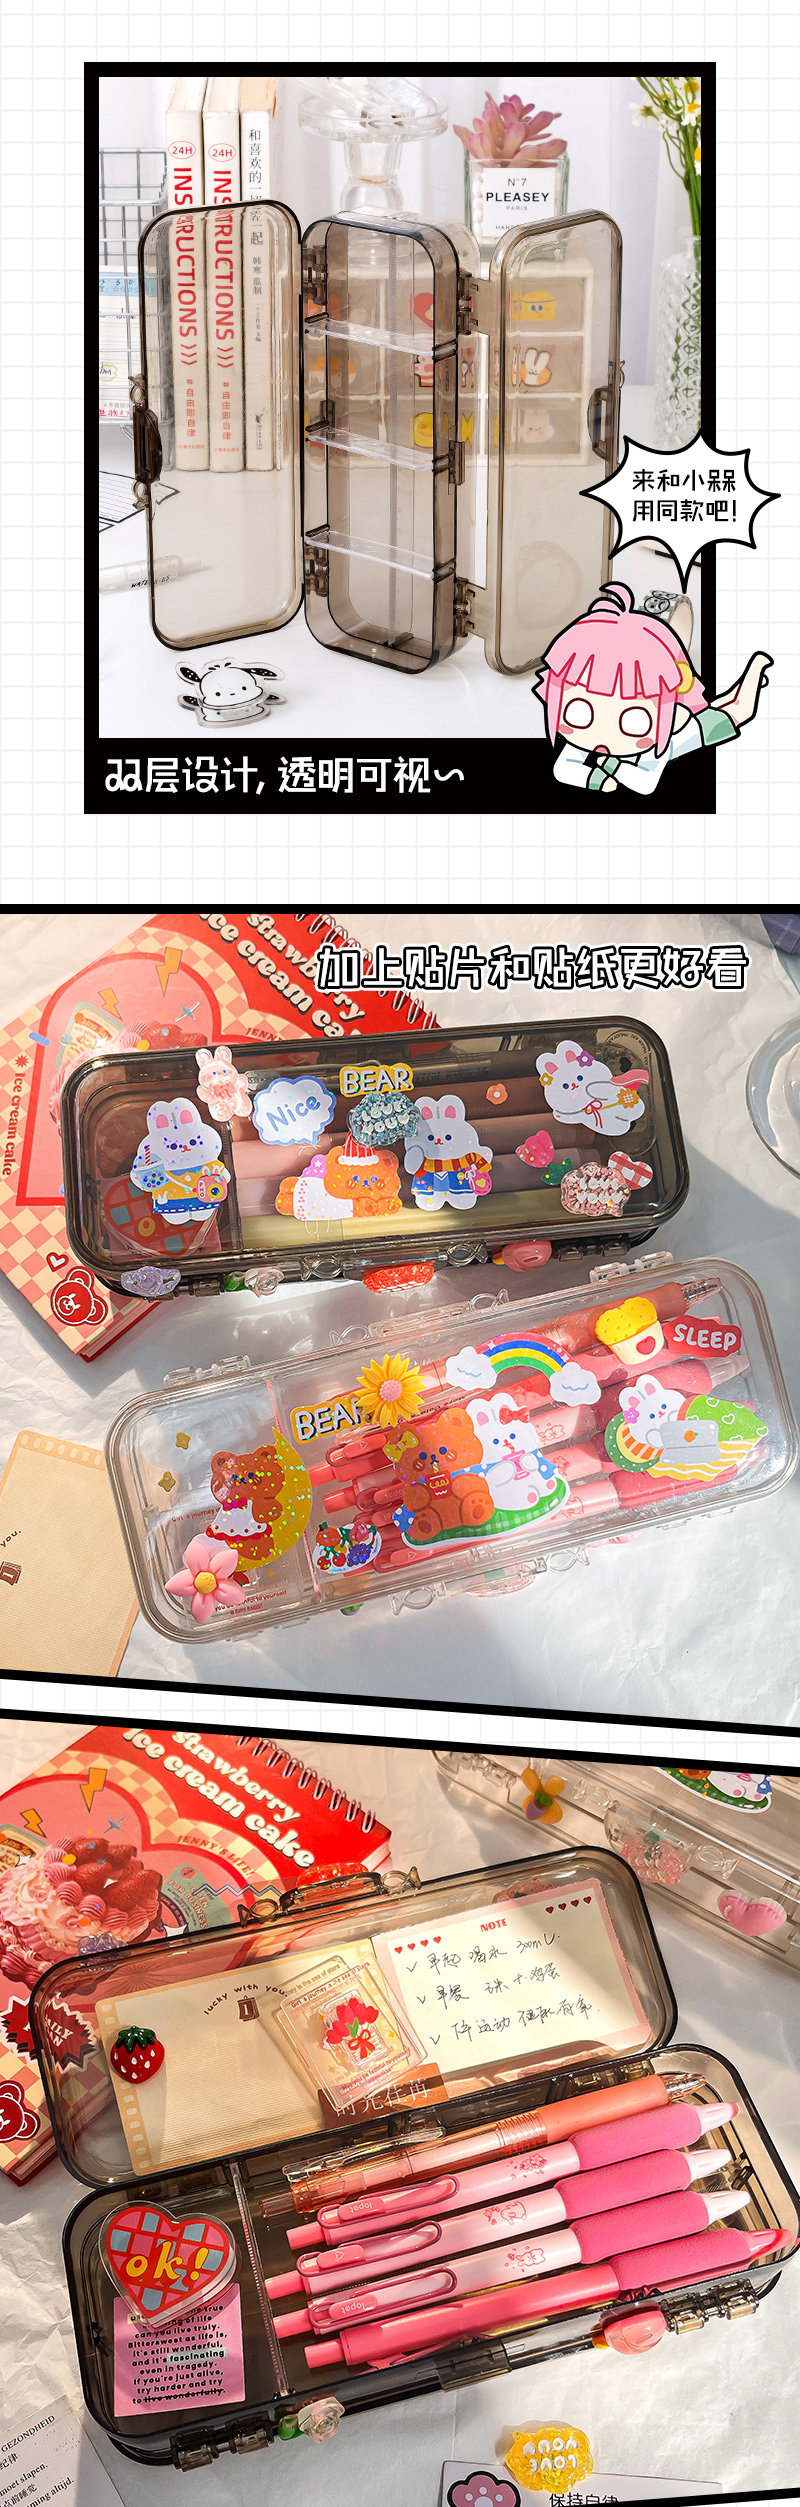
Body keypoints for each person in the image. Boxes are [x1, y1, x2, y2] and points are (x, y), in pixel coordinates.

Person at [533, 583, 771, 795]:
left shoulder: (659, 743)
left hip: (694, 729)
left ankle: (757, 670)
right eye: (578, 712)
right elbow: (562, 769)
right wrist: (597, 779)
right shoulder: (585, 734)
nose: (604, 735)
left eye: (635, 720)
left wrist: (610, 765)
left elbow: (646, 783)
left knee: (738, 709)